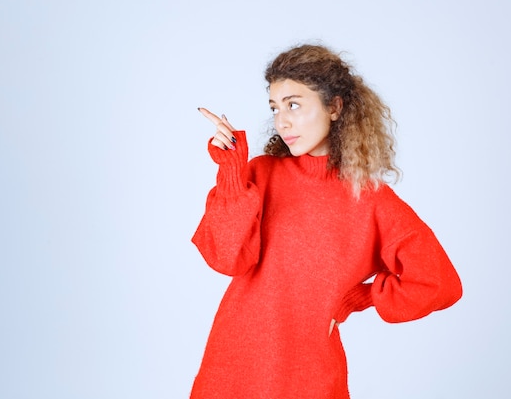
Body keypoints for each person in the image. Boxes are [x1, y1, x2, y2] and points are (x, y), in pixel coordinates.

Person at [190, 44, 462, 399]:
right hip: (234, 364)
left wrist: (359, 298)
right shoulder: (260, 174)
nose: (282, 120)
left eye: (294, 104)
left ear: (334, 107)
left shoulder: (370, 199)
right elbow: (227, 258)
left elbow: (439, 282)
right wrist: (231, 170)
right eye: (275, 108)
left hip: (310, 374)